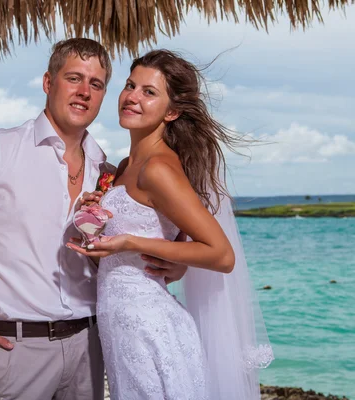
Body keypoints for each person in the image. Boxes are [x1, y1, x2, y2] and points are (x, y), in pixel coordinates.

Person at [0, 39, 187, 400]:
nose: (84, 91)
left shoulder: (107, 171)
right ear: (48, 82)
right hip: (13, 352)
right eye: (74, 78)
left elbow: (155, 235)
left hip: (91, 347)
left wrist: (176, 264)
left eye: (96, 84)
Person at [68, 49, 274, 399]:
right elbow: (129, 256)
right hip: (123, 331)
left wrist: (133, 243)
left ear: (172, 111)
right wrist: (95, 230)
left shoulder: (159, 169)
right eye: (131, 85)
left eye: (149, 92)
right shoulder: (125, 165)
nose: (132, 97)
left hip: (152, 331)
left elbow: (221, 255)